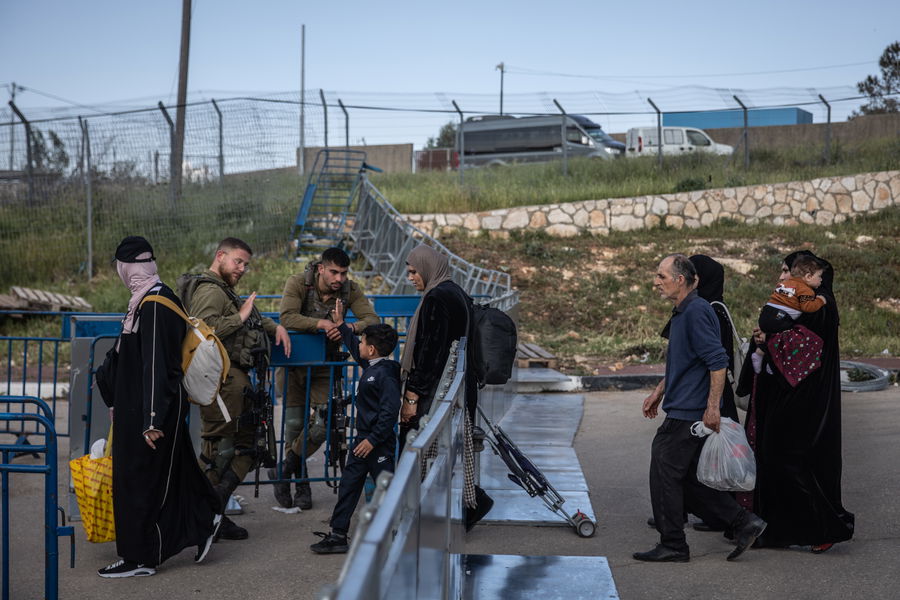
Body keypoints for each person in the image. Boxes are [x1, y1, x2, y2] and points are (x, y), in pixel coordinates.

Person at [95, 236, 221, 578]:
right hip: (148, 407)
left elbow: (156, 365)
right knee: (174, 469)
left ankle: (140, 557)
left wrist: (151, 419)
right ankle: (206, 516)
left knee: (137, 481)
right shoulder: (148, 300)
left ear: (126, 268)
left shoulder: (152, 304)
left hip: (147, 412)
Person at [635, 254, 766, 563]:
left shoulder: (696, 311)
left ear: (680, 280)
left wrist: (712, 409)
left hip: (690, 412)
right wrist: (658, 392)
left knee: (664, 469)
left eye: (661, 276)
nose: (656, 282)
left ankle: (674, 545)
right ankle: (744, 522)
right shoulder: (683, 311)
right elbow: (682, 362)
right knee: (687, 479)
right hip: (682, 407)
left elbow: (717, 361)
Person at [737, 251, 854, 553]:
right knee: (775, 461)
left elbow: (805, 348)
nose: (781, 278)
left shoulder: (820, 308)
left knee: (787, 461)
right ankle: (777, 530)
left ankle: (824, 528)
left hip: (801, 401)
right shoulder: (799, 301)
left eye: (786, 271)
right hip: (784, 396)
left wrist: (767, 339)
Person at [184, 237, 291, 541]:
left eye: (245, 264)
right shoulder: (209, 290)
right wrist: (240, 316)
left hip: (236, 382)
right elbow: (203, 332)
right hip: (221, 382)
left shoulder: (224, 290)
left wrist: (275, 327)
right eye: (238, 261)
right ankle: (203, 516)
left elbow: (249, 317)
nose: (242, 268)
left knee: (249, 446)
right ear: (220, 256)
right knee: (221, 450)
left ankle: (214, 513)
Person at [399, 244, 493, 531]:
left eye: (415, 272)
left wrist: (412, 395)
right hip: (459, 388)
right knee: (445, 452)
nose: (411, 278)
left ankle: (413, 519)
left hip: (438, 391)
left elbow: (431, 352)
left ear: (428, 268)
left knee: (416, 448)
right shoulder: (456, 292)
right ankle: (470, 502)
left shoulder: (436, 298)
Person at [277, 247, 379, 509]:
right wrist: (321, 325)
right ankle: (300, 485)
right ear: (321, 268)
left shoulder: (349, 290)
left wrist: (349, 328)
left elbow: (371, 318)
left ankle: (283, 470)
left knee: (323, 423)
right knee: (294, 427)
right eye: (334, 272)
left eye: (344, 273)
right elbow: (287, 317)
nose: (339, 279)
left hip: (325, 367)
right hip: (293, 364)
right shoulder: (298, 283)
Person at [310, 303, 401, 554]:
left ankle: (395, 535)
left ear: (371, 350)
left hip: (377, 443)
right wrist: (341, 324)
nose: (357, 347)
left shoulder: (386, 375)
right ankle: (338, 535)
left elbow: (389, 412)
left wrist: (372, 440)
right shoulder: (373, 367)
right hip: (362, 442)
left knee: (387, 491)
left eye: (362, 343)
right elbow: (354, 347)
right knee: (349, 486)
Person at [757, 253, 827, 334]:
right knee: (800, 337)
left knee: (770, 336)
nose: (821, 279)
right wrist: (820, 300)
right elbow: (807, 307)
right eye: (819, 276)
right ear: (808, 277)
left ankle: (764, 343)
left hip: (765, 314)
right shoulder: (805, 290)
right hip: (780, 319)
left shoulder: (784, 284)